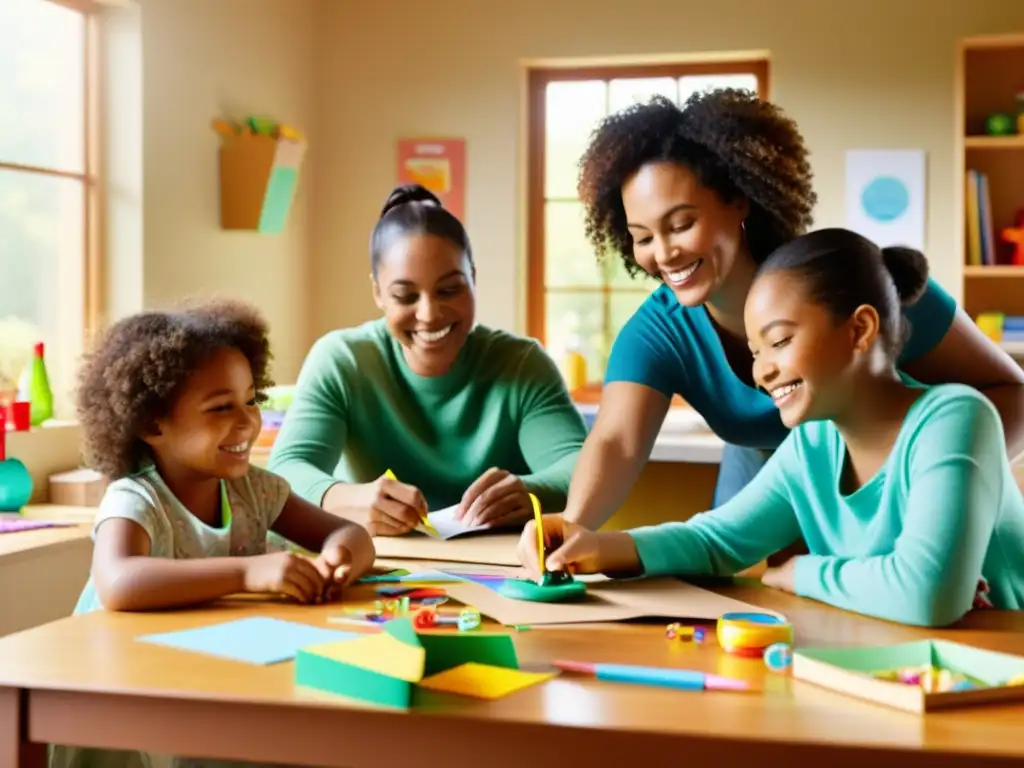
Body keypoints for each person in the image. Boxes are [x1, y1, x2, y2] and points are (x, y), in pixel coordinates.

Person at [563, 89, 1024, 535]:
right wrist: (569, 530)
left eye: (682, 224)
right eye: (643, 237)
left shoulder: (849, 282)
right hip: (768, 478)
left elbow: (1013, 395)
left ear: (738, 199)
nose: (664, 253)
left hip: (900, 489)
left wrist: (929, 481)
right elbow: (616, 443)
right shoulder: (659, 333)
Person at [517, 228, 1024, 627]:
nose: (762, 372)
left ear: (860, 329)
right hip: (901, 671)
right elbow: (717, 542)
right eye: (757, 353)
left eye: (780, 342)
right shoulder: (814, 444)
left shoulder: (956, 418)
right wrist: (597, 545)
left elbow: (927, 592)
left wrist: (801, 573)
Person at [268, 184, 587, 536]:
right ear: (378, 292)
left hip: (505, 569)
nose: (429, 314)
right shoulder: (343, 360)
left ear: (474, 279)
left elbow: (580, 468)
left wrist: (532, 492)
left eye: (449, 290)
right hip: (380, 567)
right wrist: (339, 497)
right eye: (405, 296)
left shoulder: (522, 364)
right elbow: (285, 470)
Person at [70, 299, 376, 614]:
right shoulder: (135, 499)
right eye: (221, 408)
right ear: (151, 424)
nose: (248, 422)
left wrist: (338, 561)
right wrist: (246, 573)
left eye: (251, 400)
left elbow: (350, 533)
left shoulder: (256, 491)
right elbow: (118, 582)